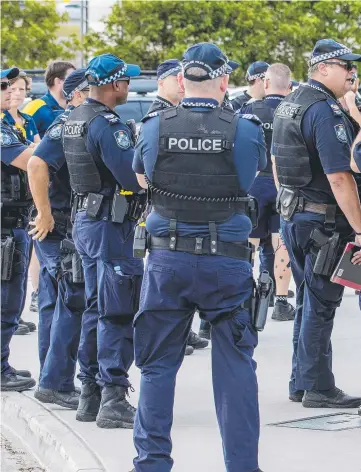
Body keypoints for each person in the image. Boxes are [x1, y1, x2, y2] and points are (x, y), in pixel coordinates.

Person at [131, 42, 266, 472]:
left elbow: (141, 174)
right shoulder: (244, 129)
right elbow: (250, 178)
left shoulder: (154, 125)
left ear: (181, 81)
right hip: (225, 262)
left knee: (156, 368)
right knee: (236, 369)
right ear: (224, 80)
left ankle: (151, 464)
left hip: (167, 260)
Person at [272, 39, 361, 408]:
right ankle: (317, 387)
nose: (353, 73)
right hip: (322, 222)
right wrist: (360, 228)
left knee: (309, 300)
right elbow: (340, 177)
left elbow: (277, 162)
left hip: (294, 215)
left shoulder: (289, 104)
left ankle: (300, 380)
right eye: (346, 67)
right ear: (323, 68)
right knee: (322, 304)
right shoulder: (323, 111)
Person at [63, 54, 144, 428]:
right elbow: (131, 178)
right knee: (116, 308)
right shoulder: (108, 126)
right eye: (126, 81)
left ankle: (90, 394)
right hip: (109, 226)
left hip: (86, 221)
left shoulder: (76, 118)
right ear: (114, 85)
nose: (128, 86)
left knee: (96, 307)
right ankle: (112, 394)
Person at [27, 69, 90, 409]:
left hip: (61, 227)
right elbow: (36, 165)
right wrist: (45, 213)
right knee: (70, 300)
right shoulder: (67, 124)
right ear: (77, 94)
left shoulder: (72, 122)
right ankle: (56, 382)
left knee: (54, 303)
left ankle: (51, 377)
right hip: (60, 227)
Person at [147, 59, 209, 352]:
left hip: (179, 209)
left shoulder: (177, 114)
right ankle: (173, 336)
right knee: (168, 283)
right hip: (165, 208)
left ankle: (184, 331)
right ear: (161, 81)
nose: (182, 85)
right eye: (176, 79)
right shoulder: (158, 116)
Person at [242, 63, 295, 321]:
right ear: (289, 85)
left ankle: (242, 296)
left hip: (254, 181)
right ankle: (281, 301)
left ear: (265, 83)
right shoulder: (296, 111)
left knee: (249, 243)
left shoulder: (249, 110)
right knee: (280, 241)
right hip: (285, 183)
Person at [1, 67, 36, 391]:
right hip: (6, 227)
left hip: (12, 223)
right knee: (7, 299)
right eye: (3, 87)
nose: (10, 91)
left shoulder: (7, 126)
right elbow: (29, 161)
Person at [22, 61, 75, 138]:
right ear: (58, 81)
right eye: (71, 79)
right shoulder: (36, 107)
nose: (76, 83)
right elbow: (19, 139)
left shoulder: (77, 106)